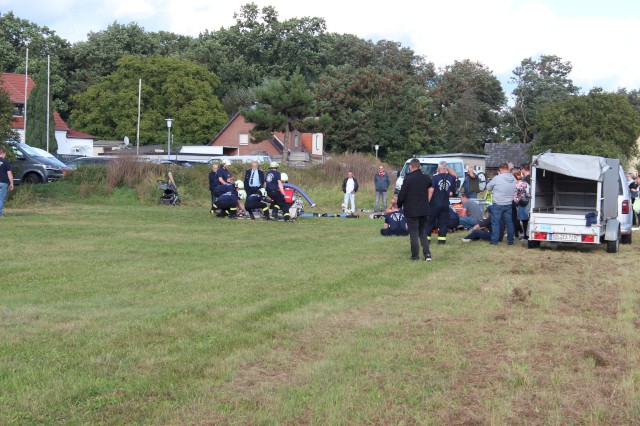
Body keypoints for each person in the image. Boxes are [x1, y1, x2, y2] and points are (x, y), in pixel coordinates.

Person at [397, 158, 433, 261]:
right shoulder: (427, 178)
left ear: (410, 166)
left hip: (412, 210)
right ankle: (427, 255)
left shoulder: (408, 178)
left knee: (413, 233)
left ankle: (415, 256)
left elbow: (402, 194)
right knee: (422, 232)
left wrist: (399, 204)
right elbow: (430, 187)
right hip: (424, 209)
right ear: (419, 166)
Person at [425, 161, 457, 245]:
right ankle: (441, 242)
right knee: (443, 223)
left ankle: (426, 241)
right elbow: (455, 176)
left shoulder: (435, 178)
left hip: (435, 203)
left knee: (430, 222)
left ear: (438, 169)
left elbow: (431, 190)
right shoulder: (451, 178)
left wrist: (427, 203)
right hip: (445, 203)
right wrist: (447, 167)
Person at [486, 162, 517, 245]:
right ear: (507, 169)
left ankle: (494, 241)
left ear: (500, 169)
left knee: (495, 223)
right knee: (509, 223)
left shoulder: (497, 178)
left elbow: (488, 187)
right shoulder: (513, 178)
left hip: (498, 204)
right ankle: (510, 241)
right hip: (509, 203)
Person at [0, 147, 15, 217]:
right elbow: (9, 173)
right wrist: (11, 183)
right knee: (1, 198)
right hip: (3, 182)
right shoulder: (5, 162)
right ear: (3, 153)